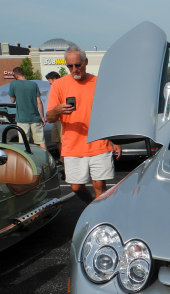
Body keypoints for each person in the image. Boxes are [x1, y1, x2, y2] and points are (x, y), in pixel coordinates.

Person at [46, 45, 121, 204]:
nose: (74, 69)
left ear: (85, 62)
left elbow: (109, 115)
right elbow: (50, 118)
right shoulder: (59, 85)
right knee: (76, 187)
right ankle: (91, 206)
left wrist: (115, 141)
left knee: (99, 184)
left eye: (78, 65)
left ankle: (100, 213)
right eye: (70, 66)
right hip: (73, 145)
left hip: (98, 143)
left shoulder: (98, 83)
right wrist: (58, 110)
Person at [8, 67, 46, 148]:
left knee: (23, 142)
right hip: (35, 117)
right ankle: (46, 158)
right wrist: (42, 116)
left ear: (15, 75)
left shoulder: (13, 84)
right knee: (41, 141)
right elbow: (39, 102)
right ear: (23, 74)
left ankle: (25, 160)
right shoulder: (33, 84)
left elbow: (12, 100)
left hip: (22, 118)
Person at [45, 71, 63, 163]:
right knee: (57, 139)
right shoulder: (53, 88)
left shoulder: (62, 87)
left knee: (62, 140)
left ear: (55, 79)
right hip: (56, 119)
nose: (49, 83)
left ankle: (65, 159)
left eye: (50, 80)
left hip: (62, 119)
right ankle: (61, 158)